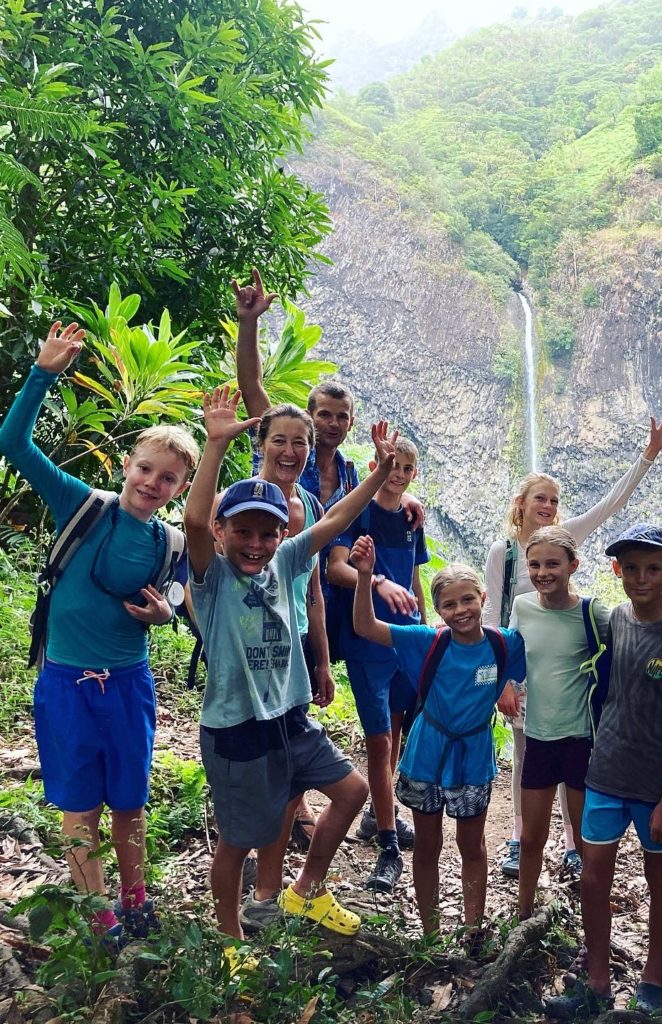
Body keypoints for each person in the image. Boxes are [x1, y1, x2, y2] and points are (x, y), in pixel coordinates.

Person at [0, 321, 199, 944]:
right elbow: (14, 442)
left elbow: (175, 592)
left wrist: (166, 616)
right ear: (126, 464)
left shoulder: (170, 540)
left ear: (181, 489)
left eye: (167, 480)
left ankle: (135, 899)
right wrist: (44, 372)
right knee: (79, 805)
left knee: (130, 803)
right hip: (65, 680)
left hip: (129, 684)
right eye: (145, 469)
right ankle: (99, 912)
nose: (152, 483)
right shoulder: (81, 505)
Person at [184, 385, 397, 949]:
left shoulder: (288, 556)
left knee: (351, 792)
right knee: (238, 840)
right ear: (223, 532)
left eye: (267, 531)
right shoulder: (212, 579)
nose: (255, 543)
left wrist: (377, 475)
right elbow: (192, 517)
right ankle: (232, 939)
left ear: (283, 532)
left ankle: (305, 889)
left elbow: (340, 518)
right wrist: (213, 445)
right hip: (236, 728)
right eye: (243, 531)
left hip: (291, 719)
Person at [233, 268, 422, 849]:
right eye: (323, 416)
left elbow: (365, 510)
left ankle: (358, 812)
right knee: (271, 711)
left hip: (333, 602)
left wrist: (401, 490)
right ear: (306, 418)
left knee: (342, 710)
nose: (331, 425)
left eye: (341, 418)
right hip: (273, 599)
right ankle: (275, 822)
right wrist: (248, 324)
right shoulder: (288, 454)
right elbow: (251, 392)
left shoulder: (344, 476)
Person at [485, 410, 662, 879]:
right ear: (522, 503)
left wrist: (649, 454)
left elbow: (610, 506)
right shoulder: (505, 554)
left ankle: (574, 842)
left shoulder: (568, 536)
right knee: (527, 758)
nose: (549, 506)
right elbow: (494, 618)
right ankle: (519, 838)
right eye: (541, 499)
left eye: (554, 500)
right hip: (525, 673)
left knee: (573, 759)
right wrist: (501, 683)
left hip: (569, 672)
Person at [545, 524, 662, 1019]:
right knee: (594, 879)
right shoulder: (617, 618)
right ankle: (596, 982)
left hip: (656, 785)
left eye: (653, 568)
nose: (641, 577)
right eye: (632, 568)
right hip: (606, 773)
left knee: (661, 879)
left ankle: (652, 981)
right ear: (618, 570)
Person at [350, 538, 524, 937]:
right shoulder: (427, 640)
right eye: (449, 605)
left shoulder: (504, 643)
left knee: (472, 844)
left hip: (474, 755)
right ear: (439, 611)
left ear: (483, 597)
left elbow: (543, 651)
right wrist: (364, 577)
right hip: (428, 752)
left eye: (468, 600)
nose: (461, 611)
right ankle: (430, 932)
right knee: (427, 845)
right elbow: (365, 626)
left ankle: (473, 929)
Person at [227, 402, 337, 931]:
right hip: (251, 654)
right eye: (279, 440)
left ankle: (273, 890)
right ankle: (253, 884)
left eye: (301, 442)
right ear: (261, 443)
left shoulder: (311, 506)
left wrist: (322, 660)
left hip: (292, 650)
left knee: (292, 777)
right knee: (266, 777)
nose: (290, 451)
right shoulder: (245, 508)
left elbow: (312, 591)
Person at [326, 437, 429, 894]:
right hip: (367, 637)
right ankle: (389, 845)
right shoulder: (359, 510)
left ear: (413, 474)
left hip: (406, 639)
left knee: (398, 730)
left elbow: (415, 576)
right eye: (391, 464)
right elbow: (336, 567)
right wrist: (378, 581)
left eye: (406, 467)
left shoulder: (410, 517)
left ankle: (378, 818)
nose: (397, 473)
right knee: (380, 742)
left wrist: (427, 629)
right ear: (376, 465)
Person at [510, 526, 610, 920]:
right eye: (535, 564)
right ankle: (523, 913)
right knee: (532, 837)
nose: (542, 572)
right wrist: (504, 685)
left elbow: (624, 649)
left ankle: (592, 915)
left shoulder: (590, 612)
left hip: (581, 739)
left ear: (573, 565)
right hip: (537, 737)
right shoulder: (522, 606)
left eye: (553, 563)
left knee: (587, 839)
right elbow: (510, 651)